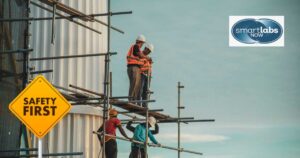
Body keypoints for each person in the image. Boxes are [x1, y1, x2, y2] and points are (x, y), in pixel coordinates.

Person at [127, 35, 150, 101]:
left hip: (132, 67)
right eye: (142, 43)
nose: (142, 45)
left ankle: (133, 100)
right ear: (141, 42)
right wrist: (146, 57)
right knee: (134, 85)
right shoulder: (136, 46)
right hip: (134, 67)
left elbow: (139, 56)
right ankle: (131, 100)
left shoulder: (134, 47)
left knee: (135, 85)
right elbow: (140, 55)